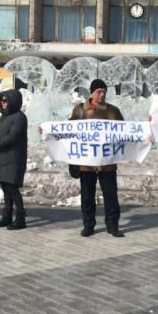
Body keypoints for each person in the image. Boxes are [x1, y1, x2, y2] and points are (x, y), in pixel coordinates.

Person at [70, 79, 125, 238]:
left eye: (104, 91)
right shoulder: (80, 110)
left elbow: (126, 131)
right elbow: (68, 131)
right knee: (87, 196)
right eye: (98, 91)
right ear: (92, 93)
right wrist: (47, 131)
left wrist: (145, 130)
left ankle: (113, 226)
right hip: (86, 163)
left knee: (111, 195)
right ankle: (88, 225)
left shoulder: (113, 111)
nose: (102, 94)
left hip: (107, 162)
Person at [0, 89, 28, 230]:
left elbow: (12, 137)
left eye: (5, 100)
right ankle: (7, 216)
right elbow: (2, 134)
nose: (3, 103)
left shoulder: (19, 117)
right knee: (5, 188)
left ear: (13, 101)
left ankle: (21, 218)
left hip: (13, 159)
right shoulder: (4, 116)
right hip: (2, 158)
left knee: (12, 188)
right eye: (1, 100)